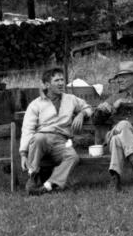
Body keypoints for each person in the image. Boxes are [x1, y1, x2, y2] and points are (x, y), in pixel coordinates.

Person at [20, 67, 94, 195]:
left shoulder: (70, 99)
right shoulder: (36, 104)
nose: (61, 83)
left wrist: (81, 114)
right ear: (47, 84)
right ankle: (34, 179)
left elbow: (88, 107)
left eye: (62, 80)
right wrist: (23, 153)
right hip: (42, 139)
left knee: (73, 157)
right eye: (57, 80)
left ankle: (49, 185)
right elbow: (28, 129)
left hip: (61, 141)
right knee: (38, 138)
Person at [94, 61, 133, 190]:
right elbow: (97, 121)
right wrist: (101, 111)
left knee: (118, 138)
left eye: (124, 76)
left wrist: (123, 102)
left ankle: (115, 180)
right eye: (118, 77)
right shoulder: (114, 96)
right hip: (116, 133)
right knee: (124, 125)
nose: (119, 80)